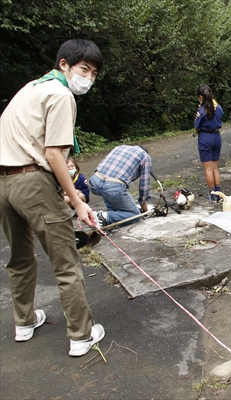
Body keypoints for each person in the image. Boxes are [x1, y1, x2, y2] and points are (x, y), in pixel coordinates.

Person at [0, 38, 105, 356]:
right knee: (65, 263)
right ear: (64, 64)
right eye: (84, 69)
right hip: (33, 183)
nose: (89, 78)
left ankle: (24, 321)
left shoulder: (31, 88)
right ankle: (81, 335)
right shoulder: (60, 94)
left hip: (4, 183)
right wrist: (76, 200)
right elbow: (54, 155)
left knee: (19, 258)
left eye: (94, 73)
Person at [88, 145, 152, 227]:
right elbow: (144, 185)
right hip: (112, 187)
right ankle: (103, 216)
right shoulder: (145, 157)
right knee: (135, 215)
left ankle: (105, 220)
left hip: (94, 182)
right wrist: (144, 207)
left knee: (115, 207)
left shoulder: (120, 147)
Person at [194, 84, 224, 202]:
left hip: (205, 137)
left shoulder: (202, 110)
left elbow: (196, 126)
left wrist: (198, 109)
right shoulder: (219, 107)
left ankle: (212, 195)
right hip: (217, 136)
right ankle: (219, 194)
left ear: (201, 97)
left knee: (208, 169)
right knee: (215, 168)